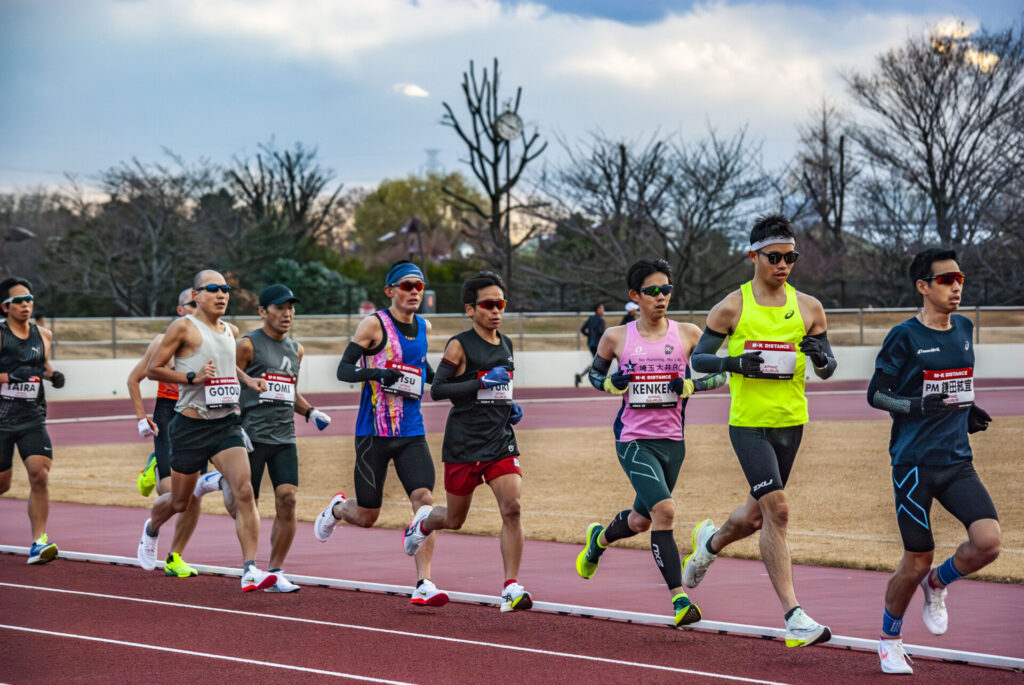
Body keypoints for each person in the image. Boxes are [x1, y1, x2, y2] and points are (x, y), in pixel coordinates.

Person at [685, 213, 837, 648]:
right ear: (753, 256)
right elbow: (699, 359)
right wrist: (733, 363)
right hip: (749, 425)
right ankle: (794, 616)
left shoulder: (809, 307)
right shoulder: (732, 306)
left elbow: (828, 367)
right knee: (779, 511)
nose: (783, 264)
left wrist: (821, 358)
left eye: (791, 257)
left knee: (755, 517)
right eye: (774, 257)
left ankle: (708, 545)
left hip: (791, 423)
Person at [867, 249, 1000, 675]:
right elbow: (877, 394)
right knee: (916, 558)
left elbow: (954, 384)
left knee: (988, 542)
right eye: (945, 280)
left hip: (957, 460)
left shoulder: (964, 328)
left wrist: (969, 409)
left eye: (959, 278)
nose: (956, 286)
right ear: (923, 287)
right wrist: (915, 406)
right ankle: (889, 640)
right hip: (913, 464)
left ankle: (938, 582)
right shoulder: (903, 336)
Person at [574, 259, 727, 627]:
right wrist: (610, 384)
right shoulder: (616, 337)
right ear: (635, 296)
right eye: (653, 291)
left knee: (642, 520)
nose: (661, 297)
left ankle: (599, 540)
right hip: (633, 439)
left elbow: (720, 374)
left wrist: (692, 385)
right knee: (666, 511)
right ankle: (679, 600)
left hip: (673, 441)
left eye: (666, 290)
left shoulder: (688, 334)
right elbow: (595, 375)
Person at [315, 261, 449, 607]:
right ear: (390, 290)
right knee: (368, 515)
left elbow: (422, 368)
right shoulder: (374, 325)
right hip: (373, 432)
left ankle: (424, 582)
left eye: (419, 286)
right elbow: (344, 370)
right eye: (406, 286)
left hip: (411, 430)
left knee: (424, 501)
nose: (414, 292)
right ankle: (337, 509)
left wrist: (452, 383)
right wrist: (377, 373)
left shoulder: (424, 327)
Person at [400, 270, 532, 613]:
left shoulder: (506, 343)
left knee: (513, 508)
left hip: (500, 440)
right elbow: (439, 390)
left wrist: (509, 405)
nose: (496, 310)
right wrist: (482, 382)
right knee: (455, 520)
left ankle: (511, 587)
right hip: (464, 444)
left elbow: (501, 389)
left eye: (501, 304)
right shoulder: (460, 344)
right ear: (470, 309)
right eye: (488, 305)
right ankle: (423, 522)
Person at [137, 269, 275, 592]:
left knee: (244, 490)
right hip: (190, 426)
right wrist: (192, 377)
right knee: (180, 502)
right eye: (213, 288)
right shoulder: (183, 327)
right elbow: (153, 369)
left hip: (225, 424)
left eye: (225, 289)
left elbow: (227, 363)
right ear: (196, 295)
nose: (221, 294)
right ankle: (152, 527)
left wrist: (248, 380)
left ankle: (251, 569)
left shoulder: (231, 330)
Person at [208, 283, 331, 593]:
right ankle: (222, 482)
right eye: (279, 308)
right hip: (249, 436)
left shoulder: (296, 349)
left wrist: (311, 411)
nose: (287, 313)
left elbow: (290, 392)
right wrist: (231, 420)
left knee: (288, 499)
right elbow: (225, 376)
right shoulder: (247, 345)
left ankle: (275, 572)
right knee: (242, 505)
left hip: (284, 437)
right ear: (263, 311)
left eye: (291, 308)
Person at [125, 288, 202, 578]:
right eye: (192, 304)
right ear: (180, 310)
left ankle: (175, 557)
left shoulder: (213, 341)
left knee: (194, 496)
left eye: (199, 303)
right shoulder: (162, 342)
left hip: (198, 417)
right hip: (168, 416)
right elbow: (134, 379)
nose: (197, 308)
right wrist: (141, 419)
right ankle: (153, 520)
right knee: (172, 494)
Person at [0, 277, 65, 564]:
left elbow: (40, 365)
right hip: (1, 421)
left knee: (39, 474)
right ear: (5, 307)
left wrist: (53, 375)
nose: (26, 304)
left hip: (32, 417)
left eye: (29, 299)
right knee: (2, 484)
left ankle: (39, 542)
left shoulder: (44, 335)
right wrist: (9, 377)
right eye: (18, 300)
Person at [574, 304, 606, 387]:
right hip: (598, 344)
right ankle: (601, 380)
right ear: (598, 309)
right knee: (599, 363)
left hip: (591, 344)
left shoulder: (590, 319)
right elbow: (601, 332)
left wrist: (589, 335)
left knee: (597, 363)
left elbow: (582, 329)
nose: (603, 310)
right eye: (602, 309)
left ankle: (581, 376)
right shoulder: (601, 320)